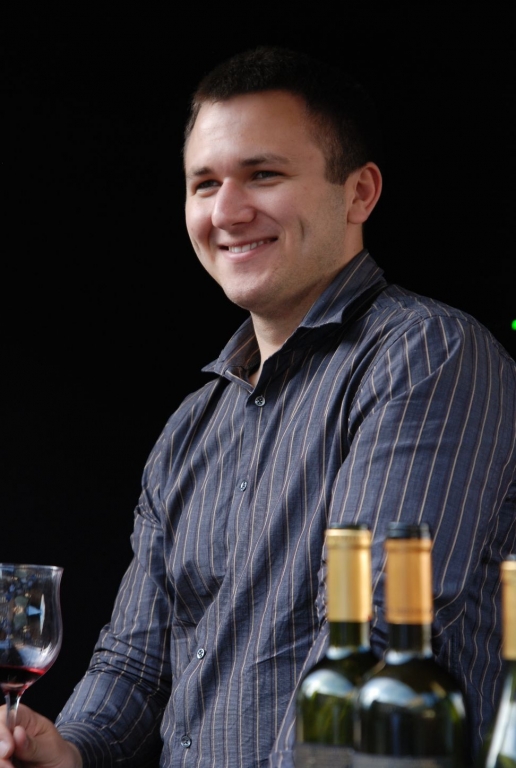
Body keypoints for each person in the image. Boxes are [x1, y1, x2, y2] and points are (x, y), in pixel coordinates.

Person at [1, 44, 515, 768]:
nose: (228, 211)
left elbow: (371, 643)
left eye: (263, 175)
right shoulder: (190, 429)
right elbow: (134, 664)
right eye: (204, 183)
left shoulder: (427, 356)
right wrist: (71, 749)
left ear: (359, 194)